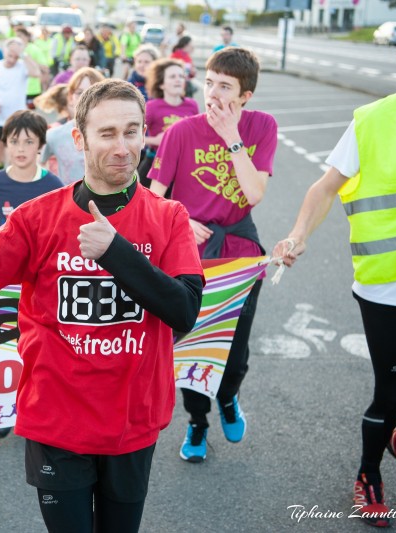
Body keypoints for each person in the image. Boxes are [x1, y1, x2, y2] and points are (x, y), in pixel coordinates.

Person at [0, 78, 204, 533]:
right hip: (57, 422)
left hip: (132, 422)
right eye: (107, 134)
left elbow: (183, 310)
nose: (123, 147)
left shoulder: (169, 216)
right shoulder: (36, 217)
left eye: (132, 131)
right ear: (78, 138)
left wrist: (116, 251)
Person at [271, 20, 396, 528]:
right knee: (393, 390)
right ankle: (368, 475)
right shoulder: (375, 119)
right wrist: (299, 234)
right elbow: (326, 186)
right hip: (387, 282)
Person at [148, 47, 277, 463]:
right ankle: (198, 422)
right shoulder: (180, 132)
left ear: (245, 96)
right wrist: (181, 222)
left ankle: (228, 397)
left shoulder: (262, 126)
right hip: (190, 256)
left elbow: (254, 193)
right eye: (208, 83)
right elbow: (154, 199)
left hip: (240, 253)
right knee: (191, 347)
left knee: (235, 352)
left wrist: (233, 140)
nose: (213, 93)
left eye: (225, 87)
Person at [0, 109, 63, 239]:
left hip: (40, 256)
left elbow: (60, 224)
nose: (21, 149)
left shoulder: (54, 186)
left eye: (29, 142)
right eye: (14, 141)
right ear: (5, 143)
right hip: (4, 256)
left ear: (40, 144)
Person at [0, 38, 41, 169]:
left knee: (13, 153)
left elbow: (36, 73)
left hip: (16, 118)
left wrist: (23, 55)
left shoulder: (22, 66)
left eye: (15, 56)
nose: (12, 59)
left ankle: (11, 174)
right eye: (10, 55)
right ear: (4, 51)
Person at [138, 58, 199, 186]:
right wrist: (154, 140)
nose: (178, 79)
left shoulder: (192, 105)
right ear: (161, 84)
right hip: (154, 163)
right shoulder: (152, 107)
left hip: (183, 167)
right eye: (172, 76)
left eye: (181, 76)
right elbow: (131, 134)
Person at [41, 67, 105, 185]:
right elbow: (35, 167)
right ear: (71, 98)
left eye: (92, 92)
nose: (85, 98)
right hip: (67, 201)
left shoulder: (113, 135)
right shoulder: (54, 135)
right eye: (79, 92)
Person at [15, 27, 52, 106]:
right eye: (16, 36)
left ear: (27, 37)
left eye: (20, 36)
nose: (17, 38)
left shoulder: (34, 49)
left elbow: (45, 68)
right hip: (17, 88)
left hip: (32, 90)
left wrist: (29, 60)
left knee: (29, 116)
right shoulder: (14, 50)